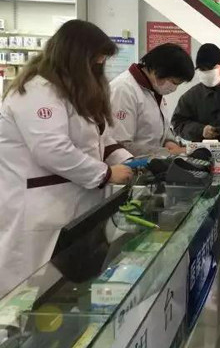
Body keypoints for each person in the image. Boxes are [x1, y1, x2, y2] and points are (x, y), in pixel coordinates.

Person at [0, 20, 134, 296]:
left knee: (63, 289)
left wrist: (128, 162)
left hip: (74, 206)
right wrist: (106, 174)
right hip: (39, 209)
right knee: (28, 291)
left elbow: (101, 139)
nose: (100, 66)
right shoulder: (36, 91)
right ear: (75, 56)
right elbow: (52, 149)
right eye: (96, 60)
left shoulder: (76, 91)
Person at [109, 43, 194, 156]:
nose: (174, 89)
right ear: (157, 71)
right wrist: (167, 152)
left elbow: (161, 125)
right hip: (129, 163)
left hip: (152, 160)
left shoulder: (154, 89)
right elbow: (119, 144)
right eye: (174, 82)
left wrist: (169, 141)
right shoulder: (123, 90)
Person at [171, 43, 220, 141]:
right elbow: (178, 124)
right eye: (202, 69)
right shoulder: (190, 97)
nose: (206, 72)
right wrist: (201, 130)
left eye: (211, 68)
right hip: (203, 148)